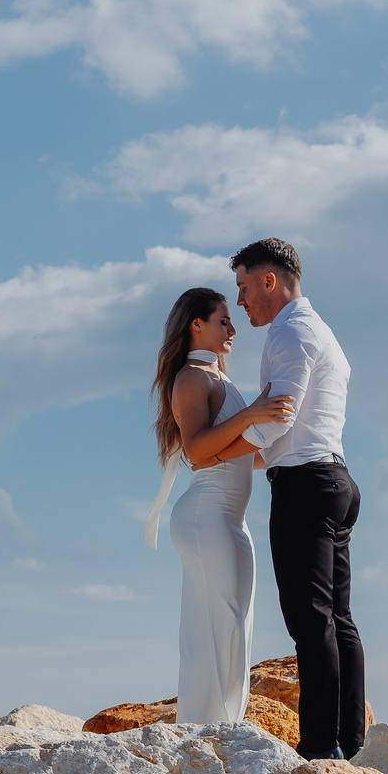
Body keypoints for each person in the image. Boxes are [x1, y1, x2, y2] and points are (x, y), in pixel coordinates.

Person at [231, 237, 363, 760]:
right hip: (333, 479)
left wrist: (218, 453)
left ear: (270, 280)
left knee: (311, 622)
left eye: (244, 288)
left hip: (306, 487)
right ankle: (348, 741)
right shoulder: (318, 329)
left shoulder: (291, 331)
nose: (240, 302)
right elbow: (292, 430)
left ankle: (320, 749)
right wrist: (245, 457)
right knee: (338, 619)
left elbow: (277, 415)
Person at [146, 286, 294, 724]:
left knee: (233, 626)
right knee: (218, 628)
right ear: (197, 325)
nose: (233, 329)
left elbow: (239, 454)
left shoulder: (219, 379)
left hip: (228, 519)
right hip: (206, 515)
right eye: (222, 321)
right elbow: (197, 450)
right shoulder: (193, 378)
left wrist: (296, 440)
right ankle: (206, 732)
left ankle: (220, 729)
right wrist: (252, 415)